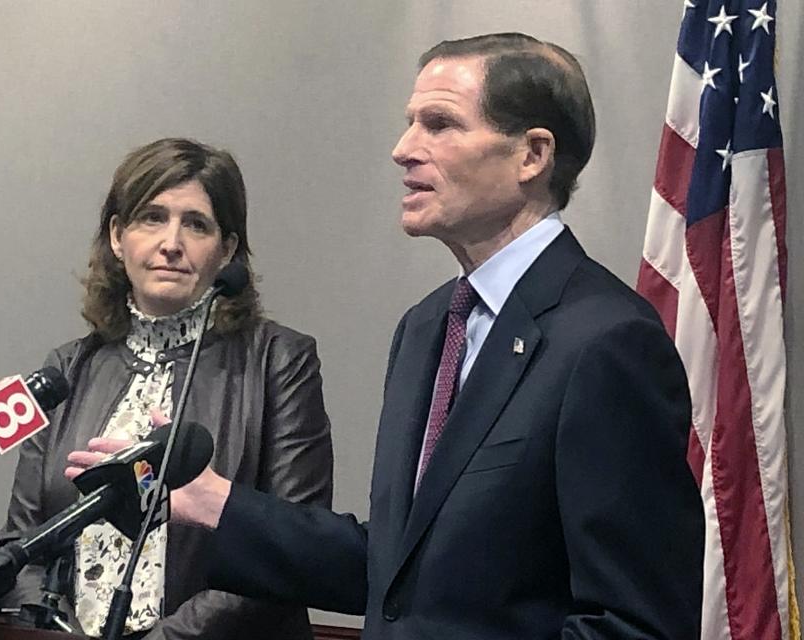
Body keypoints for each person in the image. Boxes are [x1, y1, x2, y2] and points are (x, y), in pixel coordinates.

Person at [129, 34, 704, 639]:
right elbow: (404, 573)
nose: (404, 150)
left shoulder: (607, 341)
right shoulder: (429, 326)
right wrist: (216, 504)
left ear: (532, 155)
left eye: (440, 124)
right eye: (410, 124)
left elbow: (636, 625)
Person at [0, 137, 333, 640]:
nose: (171, 243)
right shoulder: (66, 367)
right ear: (117, 237)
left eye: (196, 224)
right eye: (151, 218)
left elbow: (288, 549)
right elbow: (19, 544)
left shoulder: (280, 361)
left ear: (227, 250)